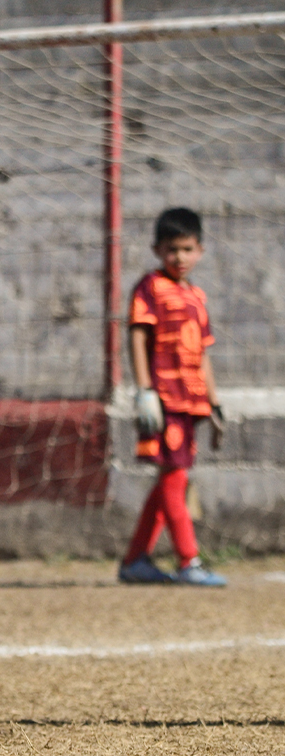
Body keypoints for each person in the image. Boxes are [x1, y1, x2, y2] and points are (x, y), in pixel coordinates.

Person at [118, 207, 227, 587]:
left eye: (186, 249)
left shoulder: (197, 295)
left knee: (170, 477)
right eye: (171, 249)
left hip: (191, 402)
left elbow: (204, 354)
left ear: (200, 250)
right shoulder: (150, 287)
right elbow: (137, 335)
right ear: (156, 249)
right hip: (164, 400)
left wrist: (213, 403)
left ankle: (135, 560)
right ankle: (188, 560)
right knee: (174, 477)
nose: (179, 257)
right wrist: (145, 390)